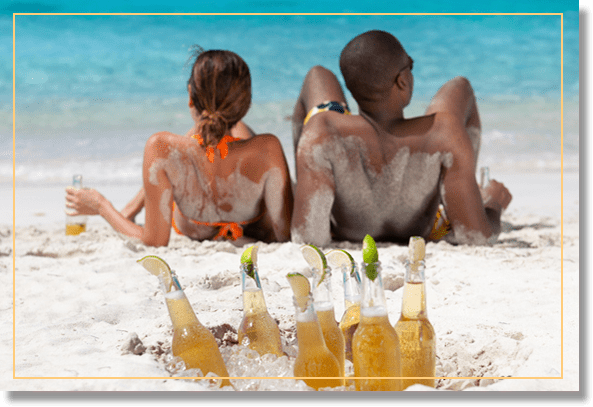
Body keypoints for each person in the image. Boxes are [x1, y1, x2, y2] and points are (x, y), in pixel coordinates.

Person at [291, 30, 511, 246]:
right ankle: (462, 191)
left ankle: (305, 183)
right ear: (403, 81)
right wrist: (493, 203)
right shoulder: (443, 133)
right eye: (410, 66)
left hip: (349, 229)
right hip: (421, 229)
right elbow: (476, 237)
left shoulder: (323, 131)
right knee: (460, 86)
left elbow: (308, 238)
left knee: (318, 75)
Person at [66, 49, 293, 247]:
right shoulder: (268, 148)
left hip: (194, 216)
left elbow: (153, 242)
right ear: (247, 105)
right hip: (249, 218)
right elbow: (283, 235)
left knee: (196, 138)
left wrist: (101, 206)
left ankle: (131, 209)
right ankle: (224, 122)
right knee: (223, 134)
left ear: (190, 97)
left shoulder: (161, 147)